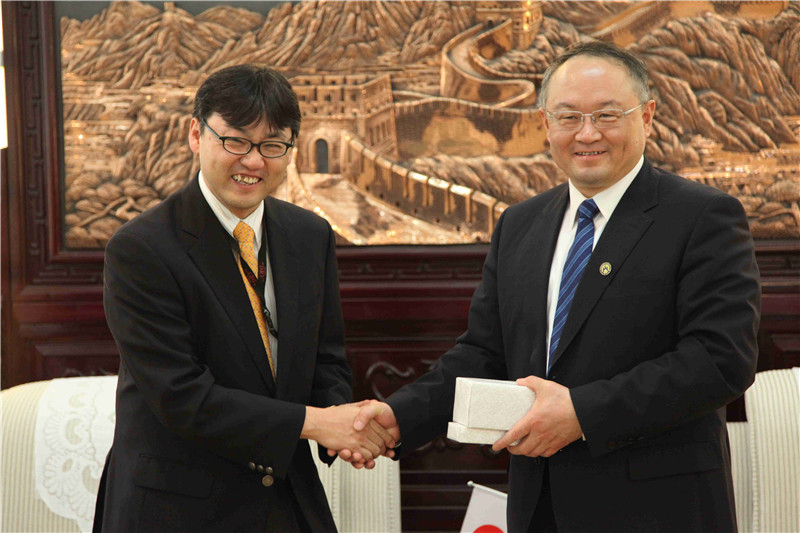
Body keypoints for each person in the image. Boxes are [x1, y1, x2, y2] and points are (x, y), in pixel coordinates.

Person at [351, 41, 760, 532]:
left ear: (647, 116)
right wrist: (398, 418)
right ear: (545, 123)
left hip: (659, 510)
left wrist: (581, 414)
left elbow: (720, 360)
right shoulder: (520, 224)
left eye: (607, 115)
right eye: (568, 117)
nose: (587, 133)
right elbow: (483, 355)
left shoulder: (702, 216)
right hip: (540, 508)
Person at [93, 65, 393, 533]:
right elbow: (182, 397)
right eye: (236, 141)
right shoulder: (140, 249)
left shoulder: (310, 235)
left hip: (287, 501)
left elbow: (327, 359)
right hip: (175, 510)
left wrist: (344, 426)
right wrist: (316, 423)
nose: (253, 161)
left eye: (272, 145)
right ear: (197, 135)